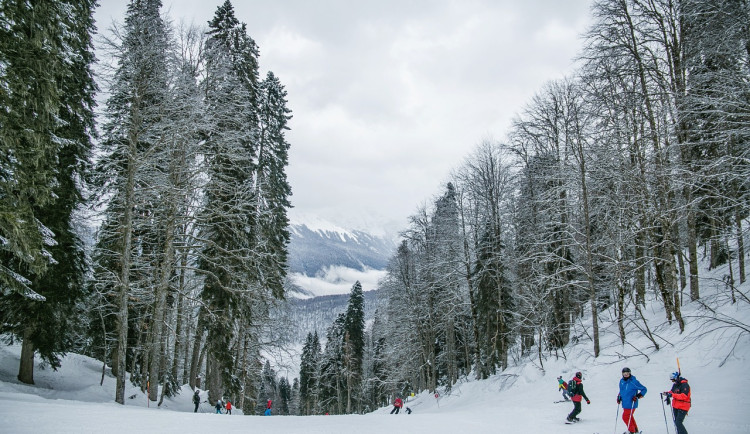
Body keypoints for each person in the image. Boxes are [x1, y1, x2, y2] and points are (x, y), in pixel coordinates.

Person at [617, 367, 647, 433]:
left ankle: (631, 431)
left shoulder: (634, 382)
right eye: (624, 374)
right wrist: (619, 397)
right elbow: (622, 391)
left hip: (631, 402)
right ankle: (635, 430)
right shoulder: (621, 381)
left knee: (625, 417)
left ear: (630, 373)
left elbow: (644, 389)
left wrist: (638, 396)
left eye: (627, 373)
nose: (626, 375)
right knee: (629, 416)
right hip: (625, 403)